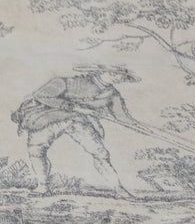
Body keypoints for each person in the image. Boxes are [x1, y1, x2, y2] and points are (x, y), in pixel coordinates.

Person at [11, 64, 141, 197]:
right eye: (114, 73)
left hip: (78, 120)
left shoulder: (112, 94)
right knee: (36, 150)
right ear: (100, 72)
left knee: (100, 152)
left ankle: (118, 189)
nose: (118, 77)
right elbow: (41, 96)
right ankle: (42, 187)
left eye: (121, 75)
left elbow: (122, 117)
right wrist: (75, 108)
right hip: (47, 118)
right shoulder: (67, 82)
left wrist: (138, 126)